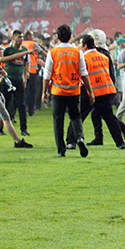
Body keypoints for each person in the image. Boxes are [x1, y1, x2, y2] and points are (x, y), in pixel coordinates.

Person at [66, 35, 125, 150]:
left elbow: (83, 75)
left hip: (91, 91)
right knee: (109, 117)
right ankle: (120, 143)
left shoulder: (84, 58)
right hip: (106, 89)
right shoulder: (103, 56)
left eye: (81, 44)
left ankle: (71, 141)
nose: (80, 47)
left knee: (78, 116)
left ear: (85, 45)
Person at [42, 24, 94, 157]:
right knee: (76, 117)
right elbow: (84, 73)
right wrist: (90, 92)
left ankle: (61, 149)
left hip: (58, 91)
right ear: (71, 36)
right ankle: (80, 138)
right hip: (74, 91)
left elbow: (47, 74)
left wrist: (44, 92)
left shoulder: (53, 52)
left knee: (58, 121)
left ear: (58, 37)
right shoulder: (77, 52)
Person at [0, 41, 34, 148]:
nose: (2, 51)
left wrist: (1, 76)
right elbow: (9, 58)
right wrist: (25, 53)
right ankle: (17, 141)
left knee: (0, 121)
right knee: (6, 118)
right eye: (0, 50)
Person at [1, 30, 30, 137]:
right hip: (8, 79)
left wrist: (25, 78)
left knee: (21, 104)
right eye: (19, 37)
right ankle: (0, 128)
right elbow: (1, 61)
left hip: (18, 80)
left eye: (22, 37)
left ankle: (24, 129)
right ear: (13, 38)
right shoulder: (7, 50)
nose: (21, 39)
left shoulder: (25, 50)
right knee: (4, 104)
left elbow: (25, 65)